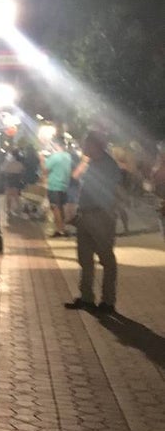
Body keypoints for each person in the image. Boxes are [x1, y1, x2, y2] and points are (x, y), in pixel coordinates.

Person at [65, 131, 122, 315]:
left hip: (100, 216)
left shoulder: (108, 165)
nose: (82, 147)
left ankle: (108, 301)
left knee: (106, 259)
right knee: (85, 258)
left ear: (96, 145)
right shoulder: (91, 163)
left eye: (85, 144)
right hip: (86, 215)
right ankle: (87, 298)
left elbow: (110, 192)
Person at [42, 139, 73, 237]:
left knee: (55, 208)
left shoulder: (54, 157)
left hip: (54, 185)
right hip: (64, 185)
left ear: (56, 145)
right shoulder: (68, 157)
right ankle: (62, 228)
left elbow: (45, 170)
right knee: (61, 208)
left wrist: (42, 159)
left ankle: (60, 230)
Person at [1, 148, 26, 218]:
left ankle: (9, 209)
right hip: (16, 179)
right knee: (16, 195)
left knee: (8, 195)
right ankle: (19, 209)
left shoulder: (8, 160)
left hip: (9, 178)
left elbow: (3, 169)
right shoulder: (20, 161)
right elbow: (22, 170)